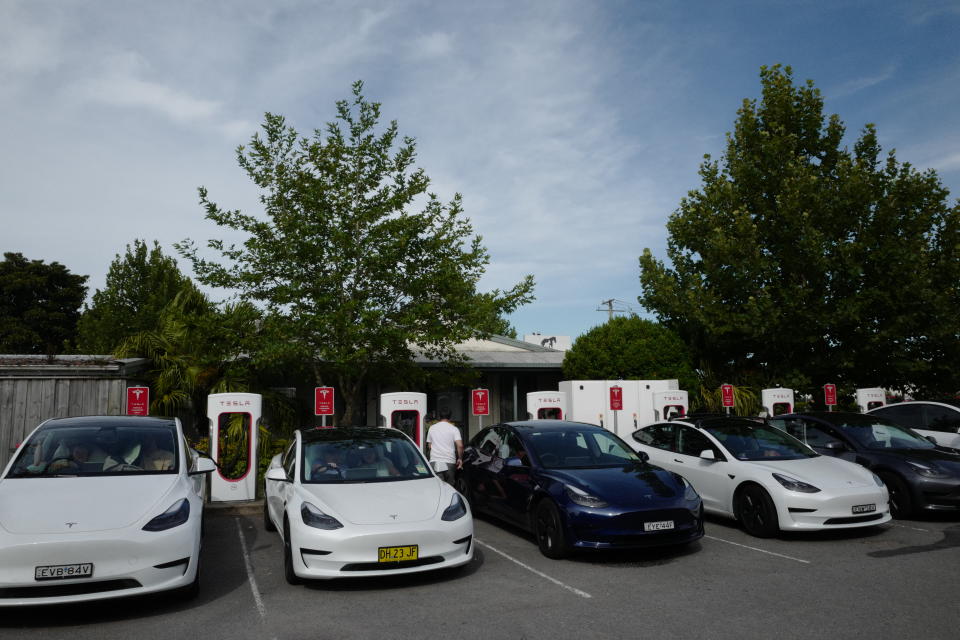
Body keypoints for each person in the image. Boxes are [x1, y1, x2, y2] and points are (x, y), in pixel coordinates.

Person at [426, 408, 463, 484]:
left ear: (439, 416)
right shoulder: (454, 429)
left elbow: (429, 446)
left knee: (438, 488)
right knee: (450, 488)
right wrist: (460, 458)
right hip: (449, 462)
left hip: (435, 461)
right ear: (450, 417)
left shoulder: (432, 428)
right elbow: (460, 446)